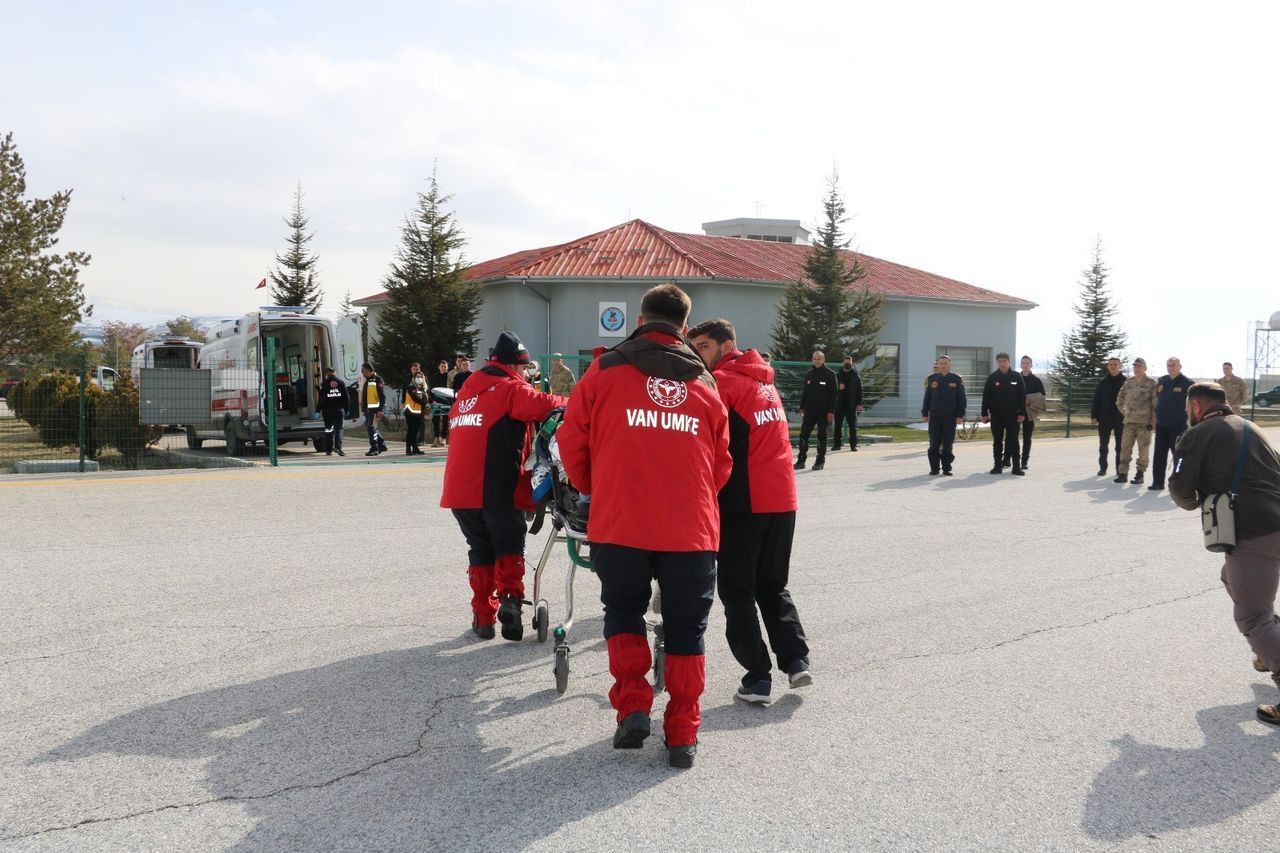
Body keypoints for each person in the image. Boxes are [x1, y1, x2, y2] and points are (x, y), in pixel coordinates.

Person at [558, 284, 731, 769]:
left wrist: (599, 485)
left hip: (622, 523)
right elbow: (722, 464)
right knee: (686, 630)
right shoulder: (705, 383)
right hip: (689, 530)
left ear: (640, 317)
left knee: (624, 612)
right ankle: (682, 736)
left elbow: (573, 442)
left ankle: (633, 706)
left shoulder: (604, 369)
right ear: (684, 324)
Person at [688, 318, 811, 706]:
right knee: (773, 585)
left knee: (737, 591)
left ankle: (757, 677)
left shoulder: (722, 383)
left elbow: (707, 443)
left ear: (726, 346)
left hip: (746, 503)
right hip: (783, 500)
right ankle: (796, 661)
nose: (697, 355)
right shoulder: (765, 382)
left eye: (703, 346)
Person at [440, 331, 567, 641]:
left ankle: (483, 617)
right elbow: (547, 405)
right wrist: (581, 401)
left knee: (480, 549)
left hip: (459, 492)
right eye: (525, 370)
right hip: (496, 487)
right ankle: (510, 604)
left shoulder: (466, 394)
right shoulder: (510, 389)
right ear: (515, 366)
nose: (527, 376)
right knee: (509, 546)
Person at [1169, 382, 1280, 724]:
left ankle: (1272, 650)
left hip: (1254, 532)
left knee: (1252, 617)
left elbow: (1181, 490)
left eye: (1188, 408)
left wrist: (1197, 499)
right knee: (1231, 579)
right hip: (1275, 523)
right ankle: (1269, 648)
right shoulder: (1252, 428)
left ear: (1196, 406)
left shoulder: (1199, 433)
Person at [1150, 356, 1194, 491]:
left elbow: (1192, 405)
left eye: (1173, 365)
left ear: (1180, 366)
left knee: (1179, 456)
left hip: (1178, 425)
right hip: (1162, 424)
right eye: (1168, 365)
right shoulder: (1162, 381)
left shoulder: (1187, 383)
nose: (1171, 368)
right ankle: (1157, 483)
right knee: (1159, 455)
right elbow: (1156, 402)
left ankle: (1179, 484)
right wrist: (1154, 418)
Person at [981, 352, 1027, 476]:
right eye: (1000, 361)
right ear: (997, 363)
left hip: (1013, 415)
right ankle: (997, 466)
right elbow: (986, 396)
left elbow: (1022, 396)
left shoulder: (1016, 376)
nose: (1002, 363)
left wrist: (1022, 413)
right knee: (997, 441)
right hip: (996, 415)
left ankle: (1016, 467)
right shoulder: (993, 377)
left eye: (1004, 361)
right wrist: (984, 413)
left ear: (1009, 362)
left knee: (1013, 440)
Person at [1114, 357, 1158, 484]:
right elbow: (1119, 399)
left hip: (1145, 422)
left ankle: (1140, 474)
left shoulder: (1151, 383)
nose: (1136, 369)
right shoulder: (1129, 382)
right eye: (1135, 366)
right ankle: (1123, 473)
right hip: (1129, 421)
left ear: (1145, 368)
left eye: (1139, 366)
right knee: (1125, 448)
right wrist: (1123, 411)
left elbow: (1156, 403)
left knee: (1143, 449)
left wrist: (1153, 420)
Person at [921, 355, 966, 476]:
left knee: (948, 443)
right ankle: (934, 468)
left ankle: (947, 468)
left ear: (950, 365)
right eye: (941, 363)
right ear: (938, 365)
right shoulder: (932, 379)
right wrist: (925, 413)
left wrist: (960, 415)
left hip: (950, 416)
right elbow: (927, 398)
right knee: (934, 442)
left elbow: (962, 399)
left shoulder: (957, 379)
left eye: (945, 363)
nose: (943, 365)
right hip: (935, 416)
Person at [795, 351, 837, 471]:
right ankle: (801, 461)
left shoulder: (830, 374)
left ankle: (820, 461)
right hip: (809, 411)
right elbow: (805, 392)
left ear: (823, 360)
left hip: (823, 412)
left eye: (819, 359)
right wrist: (802, 406)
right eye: (814, 359)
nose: (817, 361)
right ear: (812, 360)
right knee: (803, 435)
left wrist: (831, 411)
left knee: (822, 436)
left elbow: (834, 395)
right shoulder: (810, 374)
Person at [1091, 357, 1127, 476]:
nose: (1113, 366)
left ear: (1120, 366)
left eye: (1115, 364)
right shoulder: (1103, 382)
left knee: (1120, 446)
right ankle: (1103, 468)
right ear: (1108, 366)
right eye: (1110, 364)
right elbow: (1096, 400)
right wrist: (1094, 416)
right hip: (1104, 418)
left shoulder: (1126, 381)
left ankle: (1119, 469)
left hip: (1121, 418)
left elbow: (1131, 400)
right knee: (1103, 445)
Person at [1009, 355, 1046, 470]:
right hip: (1015, 413)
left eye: (1027, 363)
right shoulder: (1014, 378)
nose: (1025, 365)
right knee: (1012, 437)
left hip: (1029, 414)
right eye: (1023, 363)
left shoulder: (1036, 380)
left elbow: (1042, 397)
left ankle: (1024, 461)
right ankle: (1010, 459)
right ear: (1020, 365)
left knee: (1027, 438)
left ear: (1031, 365)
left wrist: (1029, 399)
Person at [831, 355, 863, 452]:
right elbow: (832, 390)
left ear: (851, 363)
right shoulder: (837, 375)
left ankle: (853, 445)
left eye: (849, 362)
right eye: (845, 362)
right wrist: (838, 388)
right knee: (837, 426)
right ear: (843, 363)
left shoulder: (855, 375)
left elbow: (860, 390)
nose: (847, 363)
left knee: (852, 426)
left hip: (851, 405)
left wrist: (859, 403)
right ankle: (837, 445)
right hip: (839, 405)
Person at [317, 366, 348, 457]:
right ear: (334, 372)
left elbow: (321, 399)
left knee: (328, 430)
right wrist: (346, 409)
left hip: (327, 411)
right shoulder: (341, 383)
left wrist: (318, 410)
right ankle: (338, 447)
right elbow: (346, 398)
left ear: (327, 373)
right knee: (338, 429)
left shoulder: (324, 383)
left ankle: (329, 449)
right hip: (339, 410)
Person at [359, 363, 388, 457]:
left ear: (368, 370)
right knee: (372, 428)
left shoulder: (377, 379)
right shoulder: (368, 381)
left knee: (371, 429)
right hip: (368, 410)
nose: (362, 373)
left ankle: (374, 448)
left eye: (363, 371)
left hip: (375, 410)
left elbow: (382, 396)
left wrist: (381, 409)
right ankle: (381, 445)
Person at [402, 373, 427, 456]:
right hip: (410, 412)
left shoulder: (421, 388)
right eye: (417, 377)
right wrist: (423, 403)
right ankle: (408, 449)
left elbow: (425, 397)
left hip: (417, 412)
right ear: (414, 378)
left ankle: (415, 448)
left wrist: (431, 402)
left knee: (415, 431)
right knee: (411, 431)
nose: (419, 378)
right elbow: (414, 397)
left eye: (421, 377)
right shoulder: (411, 386)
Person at [429, 359, 451, 447]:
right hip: (436, 402)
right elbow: (431, 390)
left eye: (445, 366)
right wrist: (432, 401)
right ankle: (436, 438)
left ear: (447, 367)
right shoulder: (434, 377)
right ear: (439, 367)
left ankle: (443, 438)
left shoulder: (450, 377)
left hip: (447, 402)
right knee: (435, 421)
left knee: (445, 421)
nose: (443, 368)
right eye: (442, 366)